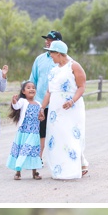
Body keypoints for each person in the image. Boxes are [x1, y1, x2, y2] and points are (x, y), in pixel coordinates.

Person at [39, 40, 89, 179]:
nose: (50, 56)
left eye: (51, 53)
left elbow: (81, 87)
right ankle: (60, 167)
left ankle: (73, 168)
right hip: (55, 109)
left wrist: (72, 100)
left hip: (71, 107)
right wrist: (42, 108)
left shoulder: (74, 66)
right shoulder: (54, 70)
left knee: (70, 135)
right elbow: (49, 91)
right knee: (57, 136)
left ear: (59, 53)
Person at [30, 30, 61, 159]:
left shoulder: (62, 60)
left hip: (56, 102)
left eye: (50, 40)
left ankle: (57, 157)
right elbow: (33, 79)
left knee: (56, 131)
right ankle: (39, 158)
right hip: (40, 101)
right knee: (40, 132)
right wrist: (29, 98)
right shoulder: (39, 59)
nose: (47, 42)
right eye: (46, 39)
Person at [6, 81, 43, 180]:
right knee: (21, 150)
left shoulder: (38, 104)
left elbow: (41, 117)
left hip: (34, 132)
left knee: (33, 151)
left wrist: (41, 116)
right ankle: (18, 172)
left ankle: (35, 172)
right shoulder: (23, 101)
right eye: (28, 88)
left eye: (33, 87)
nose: (31, 89)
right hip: (24, 131)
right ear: (23, 91)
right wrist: (14, 101)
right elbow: (16, 106)